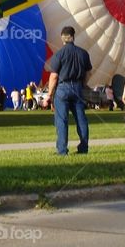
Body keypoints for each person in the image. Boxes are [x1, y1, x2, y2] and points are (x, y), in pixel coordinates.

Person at [47, 26, 92, 155]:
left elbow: (54, 76)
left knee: (62, 120)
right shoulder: (83, 53)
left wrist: (49, 94)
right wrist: (83, 83)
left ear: (62, 38)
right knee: (81, 119)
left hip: (63, 88)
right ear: (73, 37)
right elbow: (89, 72)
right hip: (78, 87)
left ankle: (62, 150)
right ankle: (83, 148)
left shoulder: (59, 54)